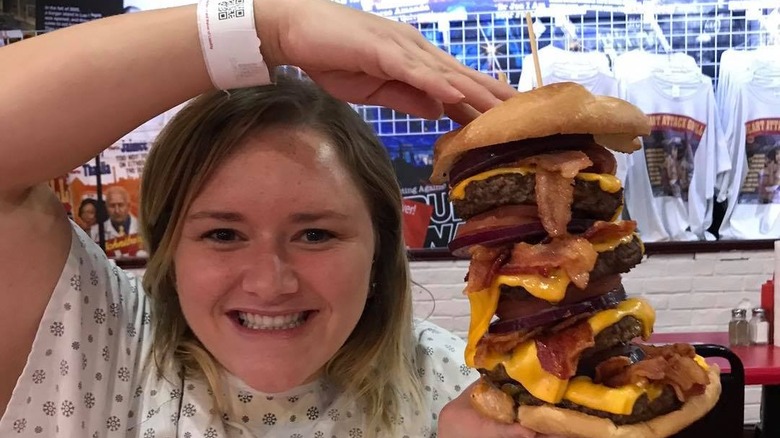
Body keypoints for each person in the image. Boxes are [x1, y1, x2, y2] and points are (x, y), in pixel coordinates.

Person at [0, 0, 556, 436]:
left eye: (315, 234)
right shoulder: (101, 343)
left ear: (381, 247)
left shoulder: (461, 395)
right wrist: (271, 26)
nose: (270, 282)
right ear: (171, 248)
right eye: (223, 234)